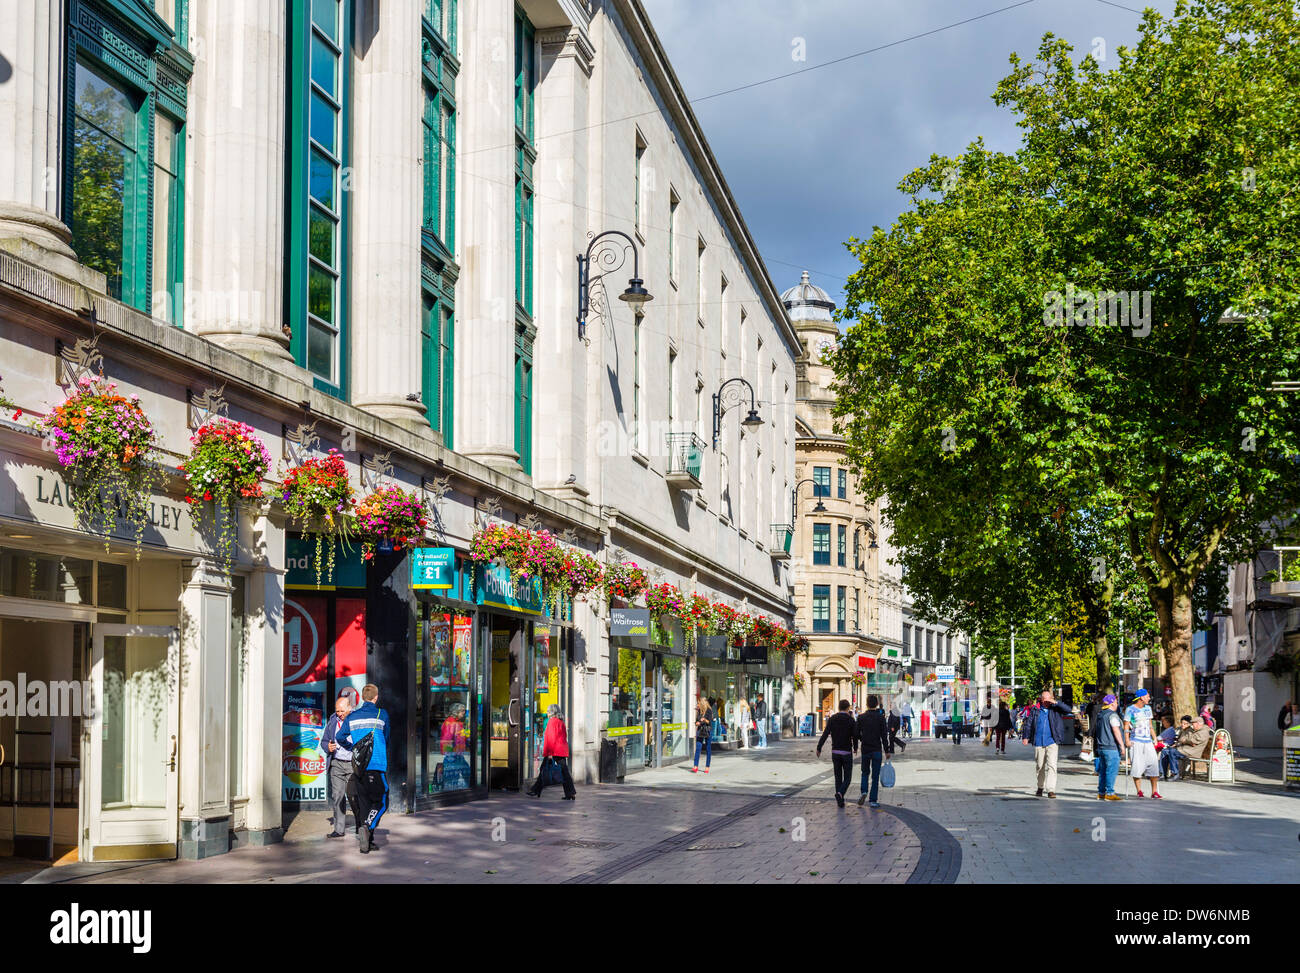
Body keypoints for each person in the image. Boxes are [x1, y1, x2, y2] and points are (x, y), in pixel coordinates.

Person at [336, 683, 391, 854]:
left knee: (365, 803)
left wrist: (353, 748)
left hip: (359, 766)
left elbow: (339, 737)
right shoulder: (382, 714)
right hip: (377, 764)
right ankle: (367, 826)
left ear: (363, 696)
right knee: (382, 801)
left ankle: (368, 842)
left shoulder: (352, 717)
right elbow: (387, 737)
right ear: (376, 697)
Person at [1021, 688, 1073, 798]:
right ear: (1041, 699)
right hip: (1039, 741)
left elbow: (1068, 710)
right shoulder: (1035, 710)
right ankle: (1040, 787)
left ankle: (1050, 790)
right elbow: (1029, 724)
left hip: (1052, 741)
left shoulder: (1055, 708)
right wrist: (1025, 736)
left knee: (1052, 766)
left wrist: (1056, 703)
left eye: (1048, 699)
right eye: (1044, 699)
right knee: (1040, 766)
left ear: (1052, 699)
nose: (1046, 701)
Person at [528, 704, 577, 800]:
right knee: (564, 772)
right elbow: (564, 736)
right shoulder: (560, 722)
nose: (546, 712)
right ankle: (570, 793)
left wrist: (550, 753)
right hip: (560, 750)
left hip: (553, 750)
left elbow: (550, 738)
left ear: (551, 712)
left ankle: (536, 790)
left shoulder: (551, 722)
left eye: (548, 711)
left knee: (545, 769)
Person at [321, 693, 353, 838]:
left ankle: (361, 826)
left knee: (355, 796)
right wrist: (328, 746)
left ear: (350, 708)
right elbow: (324, 741)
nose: (339, 714)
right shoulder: (332, 721)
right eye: (337, 711)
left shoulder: (355, 720)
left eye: (342, 711)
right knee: (338, 795)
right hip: (337, 763)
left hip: (353, 764)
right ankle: (339, 829)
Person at [816, 699, 859, 808]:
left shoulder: (832, 719)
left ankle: (840, 800)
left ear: (839, 707)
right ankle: (840, 794)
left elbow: (825, 734)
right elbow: (854, 736)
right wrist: (855, 747)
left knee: (838, 777)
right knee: (848, 777)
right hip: (846, 752)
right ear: (848, 708)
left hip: (835, 751)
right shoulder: (851, 720)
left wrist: (819, 747)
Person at [856, 695, 894, 808]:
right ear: (877, 704)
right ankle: (873, 800)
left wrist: (862, 739)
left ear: (867, 704)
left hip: (866, 749)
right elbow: (884, 735)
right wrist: (887, 750)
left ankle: (863, 791)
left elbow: (856, 733)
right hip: (877, 749)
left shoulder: (861, 717)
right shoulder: (881, 718)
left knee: (865, 772)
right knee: (875, 775)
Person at [1124, 688, 1162, 799]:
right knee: (1137, 765)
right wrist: (1127, 740)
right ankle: (1139, 790)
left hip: (1148, 741)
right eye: (1147, 696)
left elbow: (1150, 725)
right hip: (1136, 740)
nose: (1149, 698)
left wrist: (1155, 738)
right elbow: (1126, 725)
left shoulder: (1148, 709)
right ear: (1141, 697)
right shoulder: (1130, 709)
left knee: (1154, 764)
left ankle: (1154, 791)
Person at [1091, 694, 1127, 801]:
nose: (1117, 704)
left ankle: (1101, 792)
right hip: (1111, 747)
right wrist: (1122, 745)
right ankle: (1110, 793)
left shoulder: (1101, 714)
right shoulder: (1113, 715)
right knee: (1111, 770)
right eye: (1116, 702)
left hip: (1101, 746)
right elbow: (1116, 730)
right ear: (1112, 703)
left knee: (1103, 770)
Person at [693, 697, 714, 773]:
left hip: (707, 730)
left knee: (708, 748)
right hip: (700, 731)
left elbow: (709, 722)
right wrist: (697, 723)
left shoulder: (709, 710)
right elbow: (696, 721)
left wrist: (704, 720)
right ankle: (695, 766)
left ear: (702, 703)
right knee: (698, 748)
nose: (698, 705)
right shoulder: (699, 711)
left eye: (699, 703)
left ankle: (707, 767)